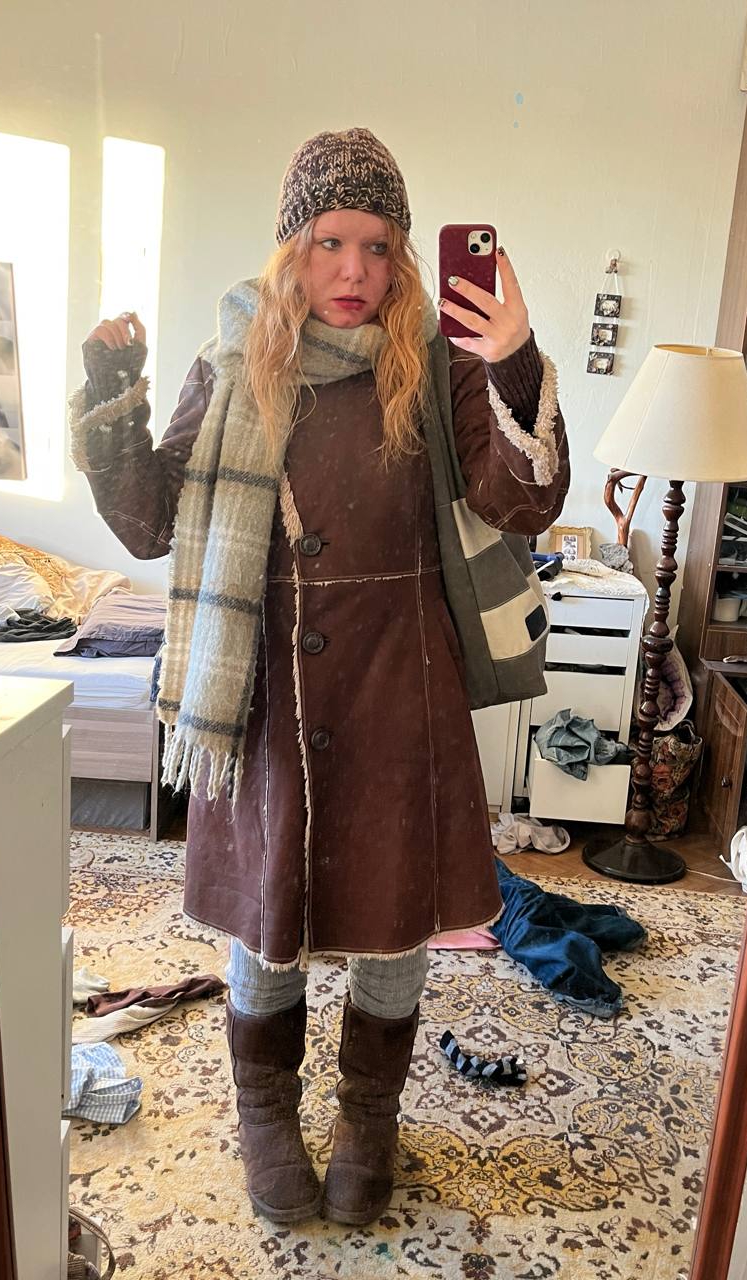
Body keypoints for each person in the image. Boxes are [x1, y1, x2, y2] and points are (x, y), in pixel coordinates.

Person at [70, 128, 569, 1227]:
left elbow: (523, 501)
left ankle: (368, 1119)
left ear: (403, 257)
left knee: (397, 920)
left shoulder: (442, 367)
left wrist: (515, 360)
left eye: (379, 246)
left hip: (402, 689)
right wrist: (112, 398)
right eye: (330, 242)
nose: (355, 270)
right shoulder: (230, 363)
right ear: (290, 246)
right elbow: (151, 522)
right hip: (267, 697)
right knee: (268, 918)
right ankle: (265, 1113)